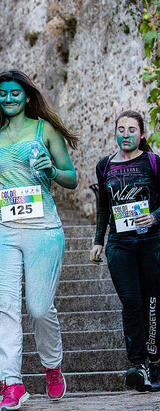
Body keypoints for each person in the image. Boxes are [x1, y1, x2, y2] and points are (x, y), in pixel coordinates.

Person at [0, 70, 78, 410]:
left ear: (26, 96)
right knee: (5, 307)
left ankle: (52, 366)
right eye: (3, 94)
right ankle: (12, 382)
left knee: (38, 308)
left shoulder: (44, 130)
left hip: (43, 229)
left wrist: (51, 170)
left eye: (15, 93)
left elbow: (72, 178)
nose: (9, 99)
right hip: (1, 228)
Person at [90, 110, 160, 393]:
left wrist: (155, 216)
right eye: (121, 129)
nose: (126, 134)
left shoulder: (154, 162)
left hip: (153, 242)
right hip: (120, 244)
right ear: (115, 132)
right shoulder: (104, 166)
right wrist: (98, 240)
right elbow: (103, 207)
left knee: (153, 302)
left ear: (141, 134)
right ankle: (138, 365)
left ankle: (155, 362)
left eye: (132, 129)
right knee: (131, 303)